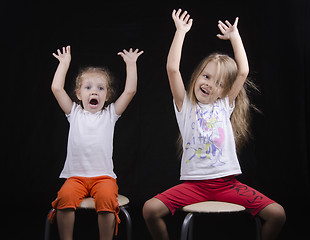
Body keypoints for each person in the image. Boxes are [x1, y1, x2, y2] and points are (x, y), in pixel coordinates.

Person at [143, 9, 285, 240]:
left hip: (227, 184)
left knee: (277, 214)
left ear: (225, 91)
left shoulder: (224, 104)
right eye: (206, 76)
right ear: (197, 76)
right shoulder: (185, 106)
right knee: (150, 209)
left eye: (218, 83)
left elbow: (243, 71)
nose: (209, 84)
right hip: (194, 186)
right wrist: (180, 32)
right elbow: (172, 69)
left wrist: (234, 37)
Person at [49, 46, 143, 240]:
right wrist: (64, 64)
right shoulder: (73, 113)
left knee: (107, 199)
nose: (95, 92)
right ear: (78, 94)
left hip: (104, 178)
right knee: (65, 197)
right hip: (76, 177)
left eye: (101, 88)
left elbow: (130, 90)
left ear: (107, 96)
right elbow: (56, 88)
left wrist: (131, 64)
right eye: (88, 87)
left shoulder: (110, 114)